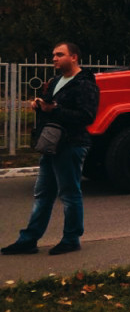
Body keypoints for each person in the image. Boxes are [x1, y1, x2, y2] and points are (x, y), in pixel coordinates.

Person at [2, 42, 99, 255]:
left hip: (71, 145)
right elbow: (50, 107)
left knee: (69, 194)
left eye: (59, 54)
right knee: (43, 194)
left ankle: (71, 239)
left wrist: (54, 109)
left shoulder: (84, 84)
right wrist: (39, 105)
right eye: (53, 55)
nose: (54, 58)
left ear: (73, 57)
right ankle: (28, 240)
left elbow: (87, 117)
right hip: (51, 145)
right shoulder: (57, 81)